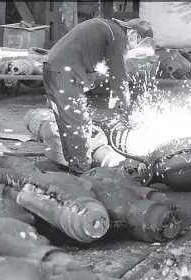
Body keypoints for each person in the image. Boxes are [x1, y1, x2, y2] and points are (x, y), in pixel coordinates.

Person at [42, 18, 153, 175]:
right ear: (134, 33)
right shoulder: (119, 36)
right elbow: (119, 75)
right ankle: (82, 174)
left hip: (53, 68)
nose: (133, 48)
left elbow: (97, 62)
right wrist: (127, 109)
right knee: (78, 123)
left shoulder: (107, 28)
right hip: (64, 73)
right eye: (137, 43)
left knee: (69, 123)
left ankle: (75, 167)